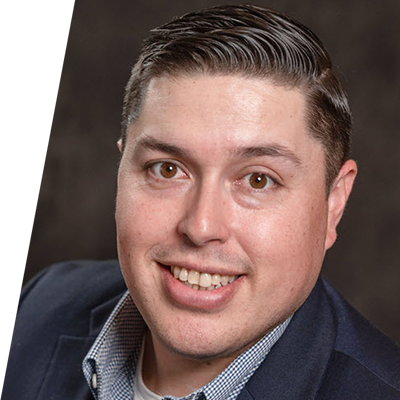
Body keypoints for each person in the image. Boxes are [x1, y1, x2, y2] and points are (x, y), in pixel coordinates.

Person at [4, 4, 400, 400]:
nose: (200, 226)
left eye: (258, 179)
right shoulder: (41, 307)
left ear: (334, 203)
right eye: (167, 170)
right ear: (122, 169)